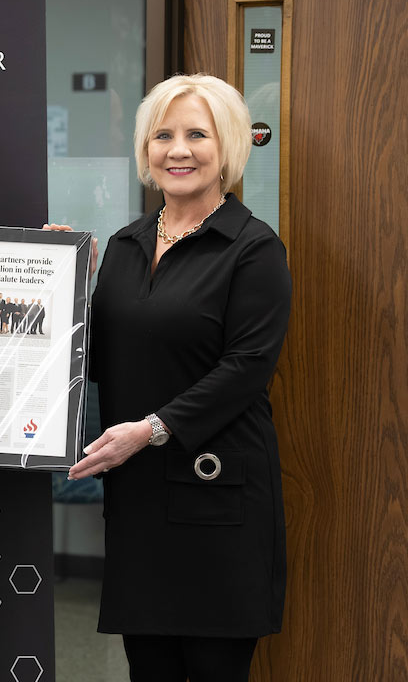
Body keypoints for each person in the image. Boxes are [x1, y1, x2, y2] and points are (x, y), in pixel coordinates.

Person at [69, 73, 291, 682]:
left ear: (228, 148)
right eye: (163, 135)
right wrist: (54, 280)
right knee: (150, 670)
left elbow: (246, 370)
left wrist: (152, 429)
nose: (179, 150)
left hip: (218, 505)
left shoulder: (253, 249)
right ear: (146, 150)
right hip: (141, 499)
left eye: (198, 134)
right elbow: (98, 351)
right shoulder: (124, 244)